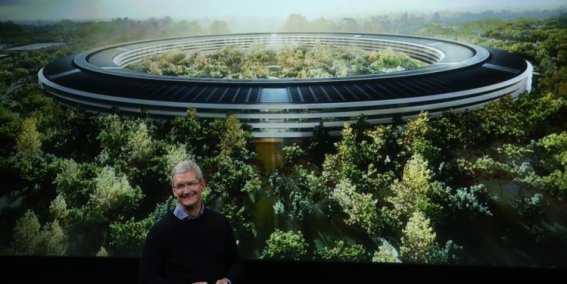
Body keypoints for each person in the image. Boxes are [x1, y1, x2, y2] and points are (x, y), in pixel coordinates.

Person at [139, 160, 243, 284]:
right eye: (180, 186)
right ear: (173, 191)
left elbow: (236, 264)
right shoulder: (160, 231)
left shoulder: (220, 223)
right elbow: (147, 278)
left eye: (191, 184)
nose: (186, 191)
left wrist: (227, 280)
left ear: (203, 185)